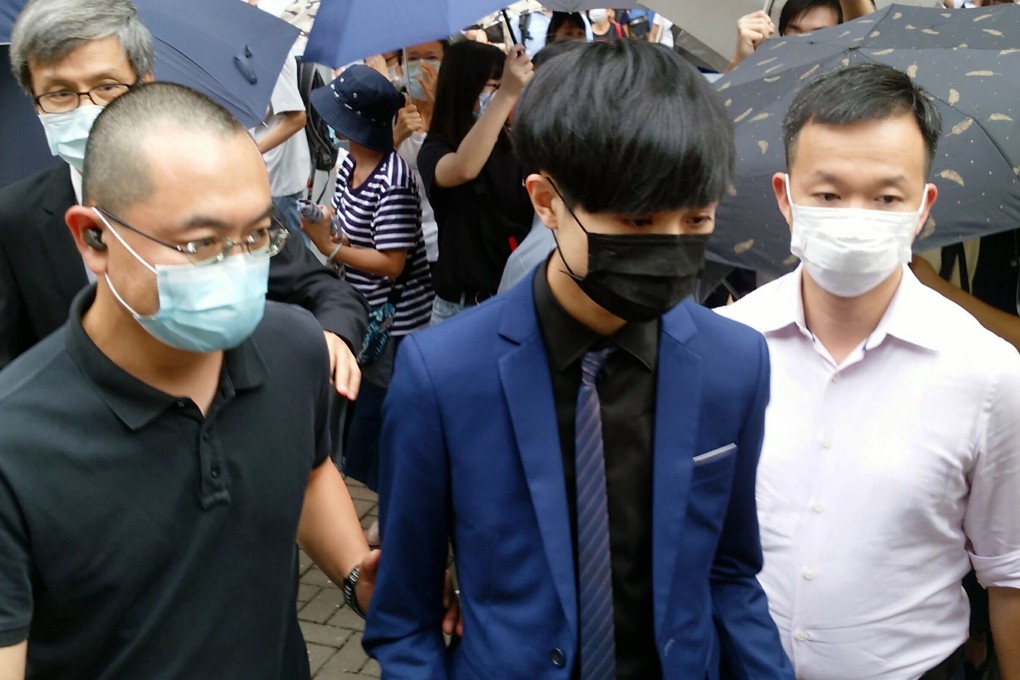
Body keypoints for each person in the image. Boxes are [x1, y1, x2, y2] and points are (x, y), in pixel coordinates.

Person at [364, 40, 793, 680]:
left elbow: (729, 570)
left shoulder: (734, 362)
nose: (673, 248)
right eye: (640, 224)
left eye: (697, 219)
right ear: (546, 202)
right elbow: (405, 617)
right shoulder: (444, 375)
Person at [0, 81, 376, 679]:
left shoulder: (295, 348)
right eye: (200, 244)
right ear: (93, 238)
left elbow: (306, 472)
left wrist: (358, 574)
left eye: (255, 236)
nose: (236, 267)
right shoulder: (16, 448)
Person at [717, 63, 1020, 680]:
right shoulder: (727, 343)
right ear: (785, 197)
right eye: (827, 195)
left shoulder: (986, 371)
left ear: (922, 207)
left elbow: (1009, 569)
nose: (855, 216)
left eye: (886, 197)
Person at [0, 0, 367, 400]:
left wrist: (331, 337)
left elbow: (324, 290)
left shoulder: (215, 188)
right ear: (34, 100)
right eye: (59, 94)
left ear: (145, 83)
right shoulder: (13, 221)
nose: (85, 109)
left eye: (106, 86)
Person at [301, 65, 433, 496]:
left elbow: (393, 263)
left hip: (392, 321)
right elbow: (342, 218)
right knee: (359, 403)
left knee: (379, 408)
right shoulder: (349, 163)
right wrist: (324, 221)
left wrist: (330, 247)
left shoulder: (393, 181)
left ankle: (387, 498)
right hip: (359, 303)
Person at [418, 40, 534, 324]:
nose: (504, 94)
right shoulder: (436, 149)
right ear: (463, 87)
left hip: (516, 301)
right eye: (493, 86)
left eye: (503, 86)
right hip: (462, 311)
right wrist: (506, 93)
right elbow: (464, 168)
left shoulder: (517, 144)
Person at [393, 39, 447, 264]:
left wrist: (440, 110)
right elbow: (371, 173)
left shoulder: (458, 114)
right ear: (399, 67)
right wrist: (395, 138)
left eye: (432, 58)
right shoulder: (390, 111)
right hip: (400, 242)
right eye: (413, 58)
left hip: (447, 241)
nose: (423, 65)